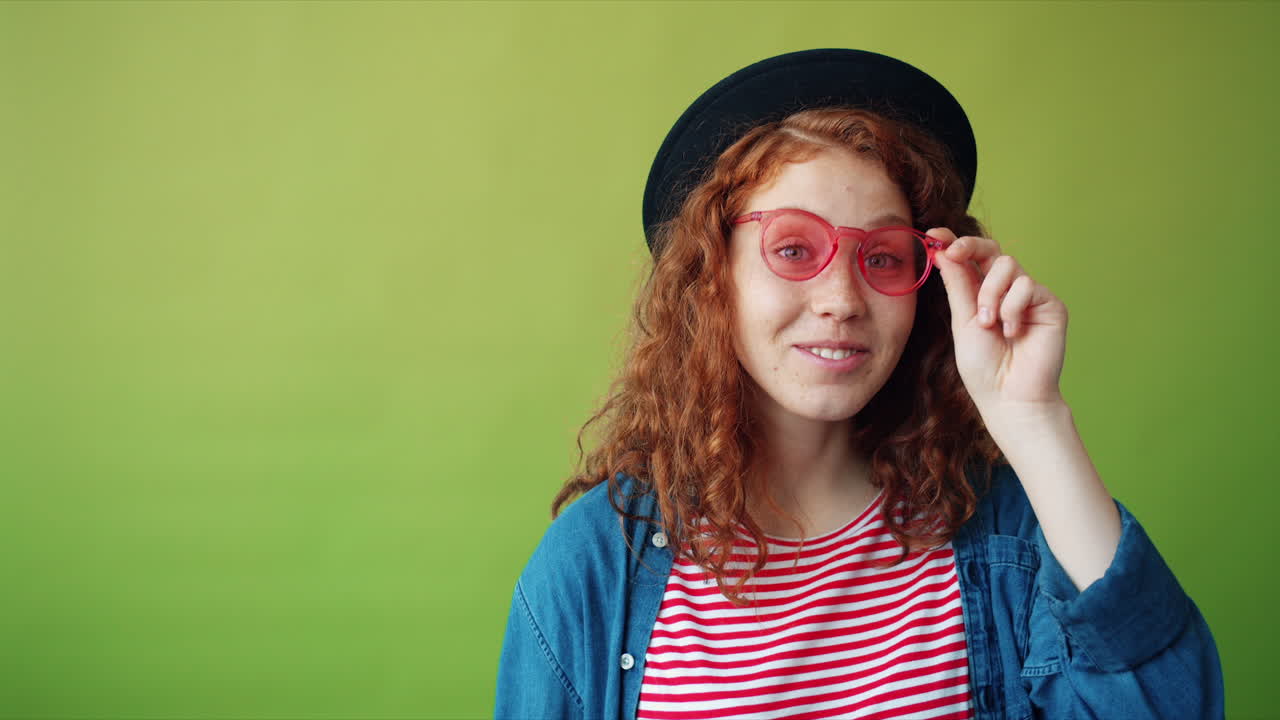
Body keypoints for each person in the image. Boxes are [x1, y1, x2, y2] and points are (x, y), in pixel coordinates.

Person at [494, 48, 1223, 720]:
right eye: (792, 248)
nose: (843, 300)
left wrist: (1034, 417)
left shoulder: (1007, 532)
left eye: (882, 257)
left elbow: (1173, 705)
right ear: (711, 276)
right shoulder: (594, 567)